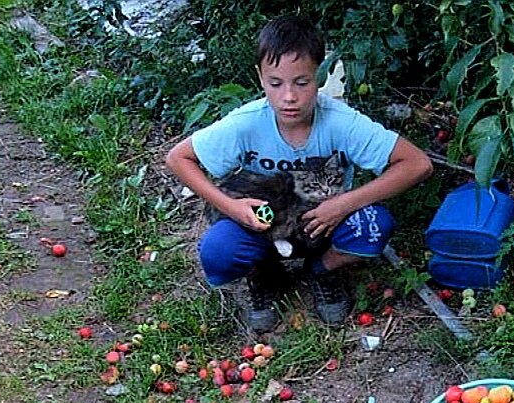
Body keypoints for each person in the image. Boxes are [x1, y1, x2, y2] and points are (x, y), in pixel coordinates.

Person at [165, 14, 433, 331]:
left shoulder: (340, 122)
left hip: (324, 223)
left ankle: (322, 268)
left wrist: (344, 204)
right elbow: (178, 157)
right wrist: (231, 206)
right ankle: (264, 273)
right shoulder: (247, 122)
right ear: (260, 77)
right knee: (218, 251)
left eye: (302, 82)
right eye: (275, 83)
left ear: (320, 76)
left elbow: (417, 163)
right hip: (264, 225)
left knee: (375, 224)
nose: (288, 96)